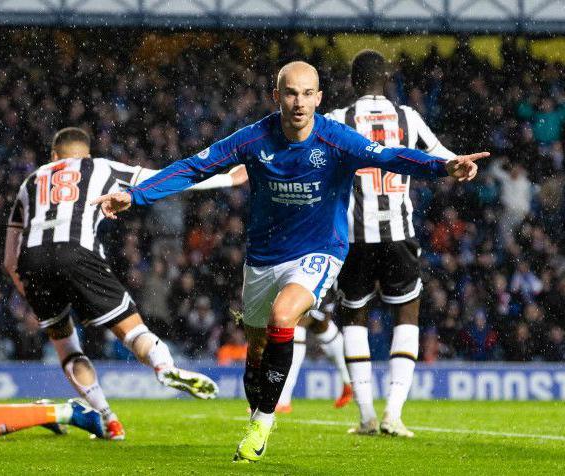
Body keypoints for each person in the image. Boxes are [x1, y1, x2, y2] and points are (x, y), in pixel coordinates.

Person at [92, 61, 486, 463]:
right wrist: (135, 194)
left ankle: (264, 421)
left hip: (320, 250)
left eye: (307, 93)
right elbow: (195, 166)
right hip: (263, 257)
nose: (299, 102)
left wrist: (443, 166)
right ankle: (257, 414)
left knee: (285, 316)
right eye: (291, 93)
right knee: (257, 351)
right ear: (276, 96)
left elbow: (389, 156)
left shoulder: (336, 139)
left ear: (319, 98)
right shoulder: (253, 138)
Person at [4, 127, 246, 440]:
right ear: (86, 155)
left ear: (53, 156)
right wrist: (227, 178)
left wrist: (29, 290)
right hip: (76, 253)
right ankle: (163, 366)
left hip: (33, 262)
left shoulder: (30, 181)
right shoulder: (100, 167)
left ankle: (108, 419)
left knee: (67, 348)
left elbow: (10, 260)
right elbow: (166, 178)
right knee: (132, 332)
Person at [326, 50, 457, 437]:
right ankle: (393, 415)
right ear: (386, 80)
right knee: (407, 314)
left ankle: (366, 416)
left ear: (352, 81)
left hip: (355, 236)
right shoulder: (408, 118)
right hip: (398, 233)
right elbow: (441, 157)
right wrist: (462, 163)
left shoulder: (338, 120)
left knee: (354, 318)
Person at [275, 288, 352, 414]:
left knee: (297, 320)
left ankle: (283, 401)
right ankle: (348, 382)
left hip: (319, 276)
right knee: (320, 326)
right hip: (320, 278)